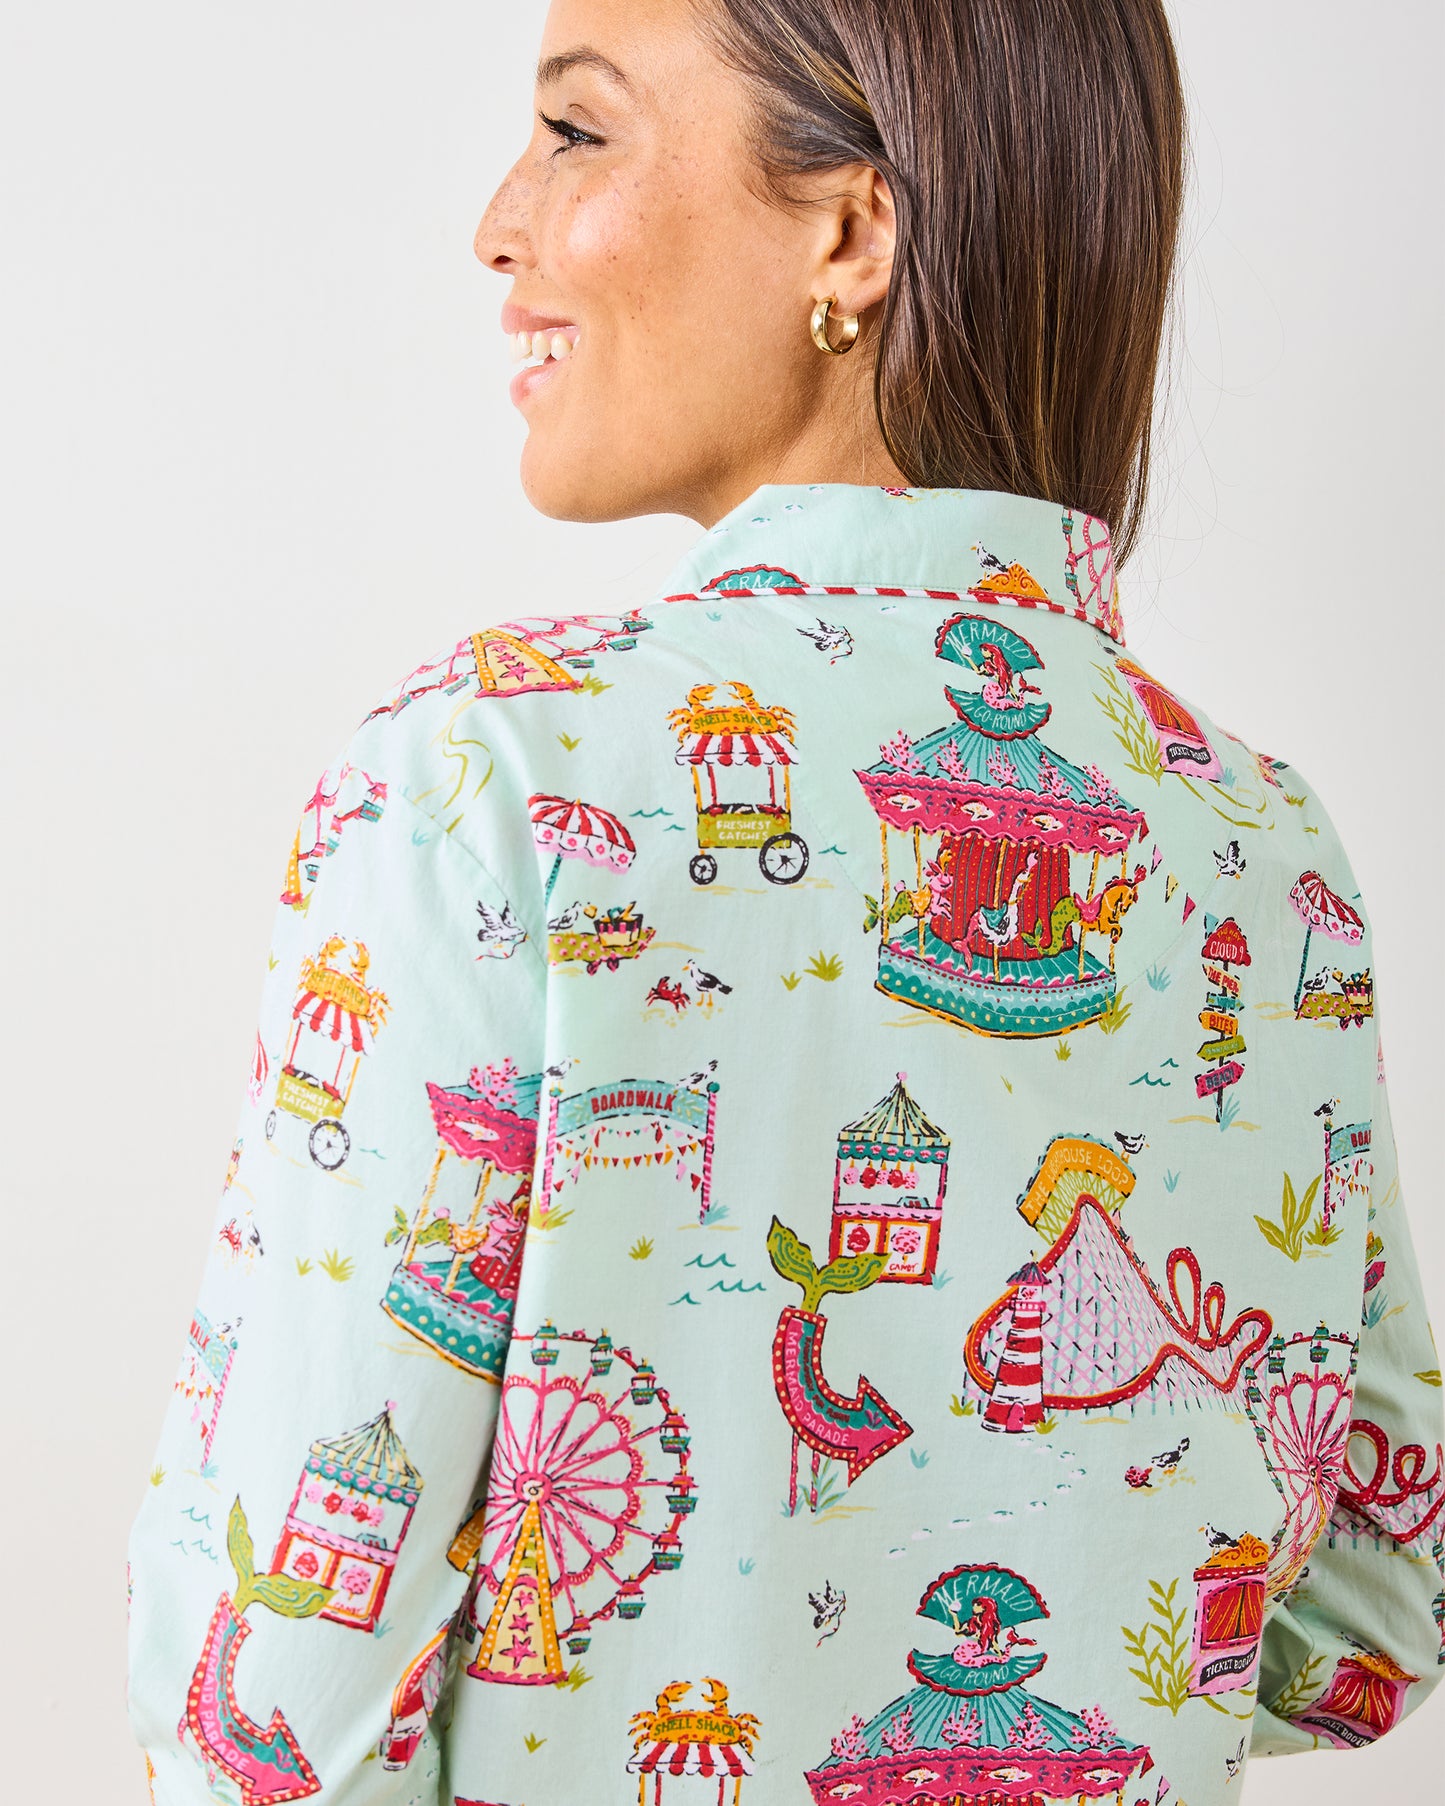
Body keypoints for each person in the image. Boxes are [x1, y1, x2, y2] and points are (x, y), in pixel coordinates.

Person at [126, 2, 1444, 1802]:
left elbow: (271, 1715)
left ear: (849, 229)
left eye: (576, 131)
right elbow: (1369, 1611)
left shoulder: (488, 776)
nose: (500, 222)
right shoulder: (1261, 842)